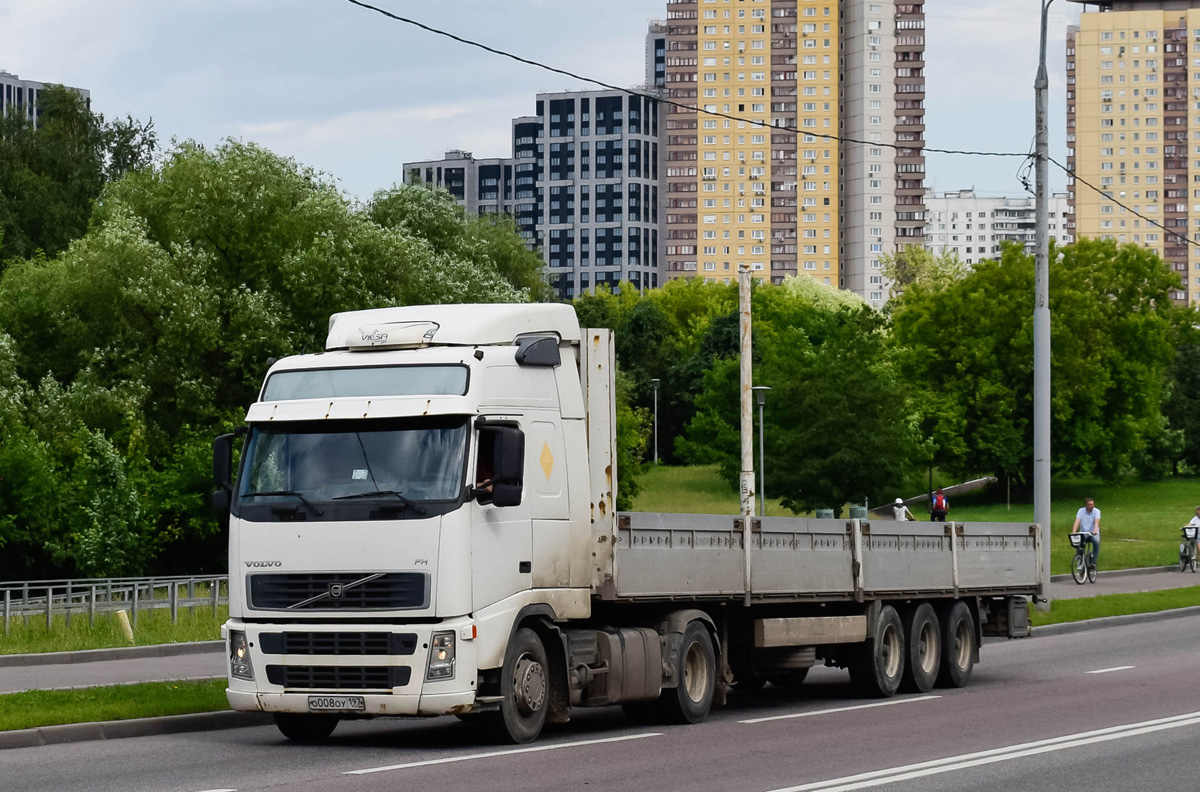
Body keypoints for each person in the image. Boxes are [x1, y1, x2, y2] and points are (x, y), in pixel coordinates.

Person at [1071, 497, 1101, 568]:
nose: (1092, 506)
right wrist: (1073, 532)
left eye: (1093, 504)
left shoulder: (1097, 511)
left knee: (1096, 542)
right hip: (1084, 533)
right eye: (1090, 504)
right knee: (1079, 545)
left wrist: (1095, 531)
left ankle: (1093, 562)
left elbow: (1097, 522)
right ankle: (1080, 559)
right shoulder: (1081, 511)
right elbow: (1077, 521)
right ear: (1086, 505)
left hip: (1093, 533)